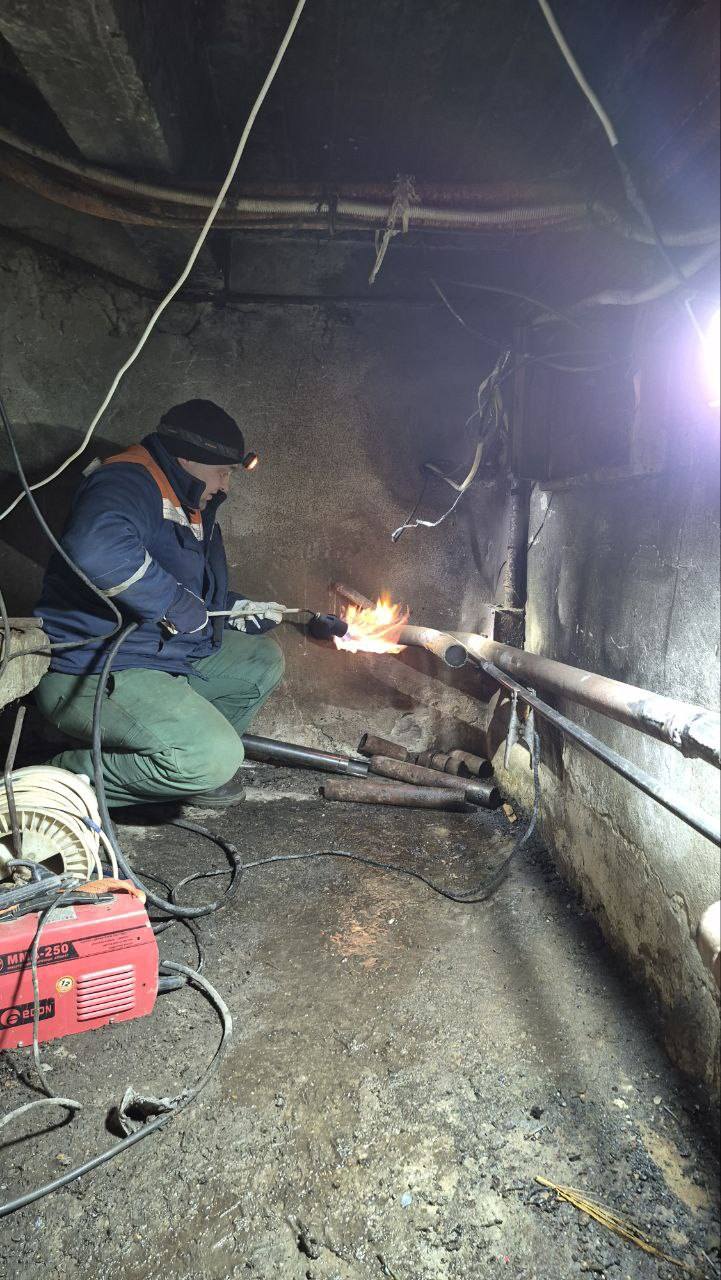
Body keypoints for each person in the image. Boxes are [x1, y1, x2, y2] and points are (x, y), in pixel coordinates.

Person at [33, 399, 286, 808]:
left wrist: (232, 609)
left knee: (260, 659)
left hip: (159, 654)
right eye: (222, 471)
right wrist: (172, 603)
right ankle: (54, 781)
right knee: (213, 757)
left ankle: (181, 766)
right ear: (187, 458)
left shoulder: (190, 501)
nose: (226, 485)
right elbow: (97, 550)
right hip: (96, 667)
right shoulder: (128, 479)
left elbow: (181, 583)